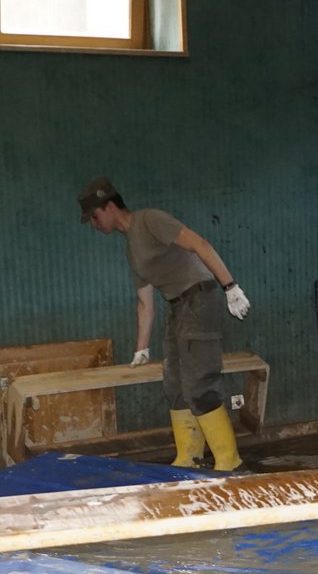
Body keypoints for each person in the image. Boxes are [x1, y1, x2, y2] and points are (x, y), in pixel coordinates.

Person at [77, 178, 251, 472]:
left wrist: (230, 287)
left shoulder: (150, 220)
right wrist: (140, 349)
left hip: (199, 297)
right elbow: (145, 303)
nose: (94, 224)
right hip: (177, 306)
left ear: (109, 206)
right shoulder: (131, 249)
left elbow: (199, 244)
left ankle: (228, 462)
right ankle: (189, 457)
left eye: (94, 216)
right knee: (174, 384)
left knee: (199, 382)